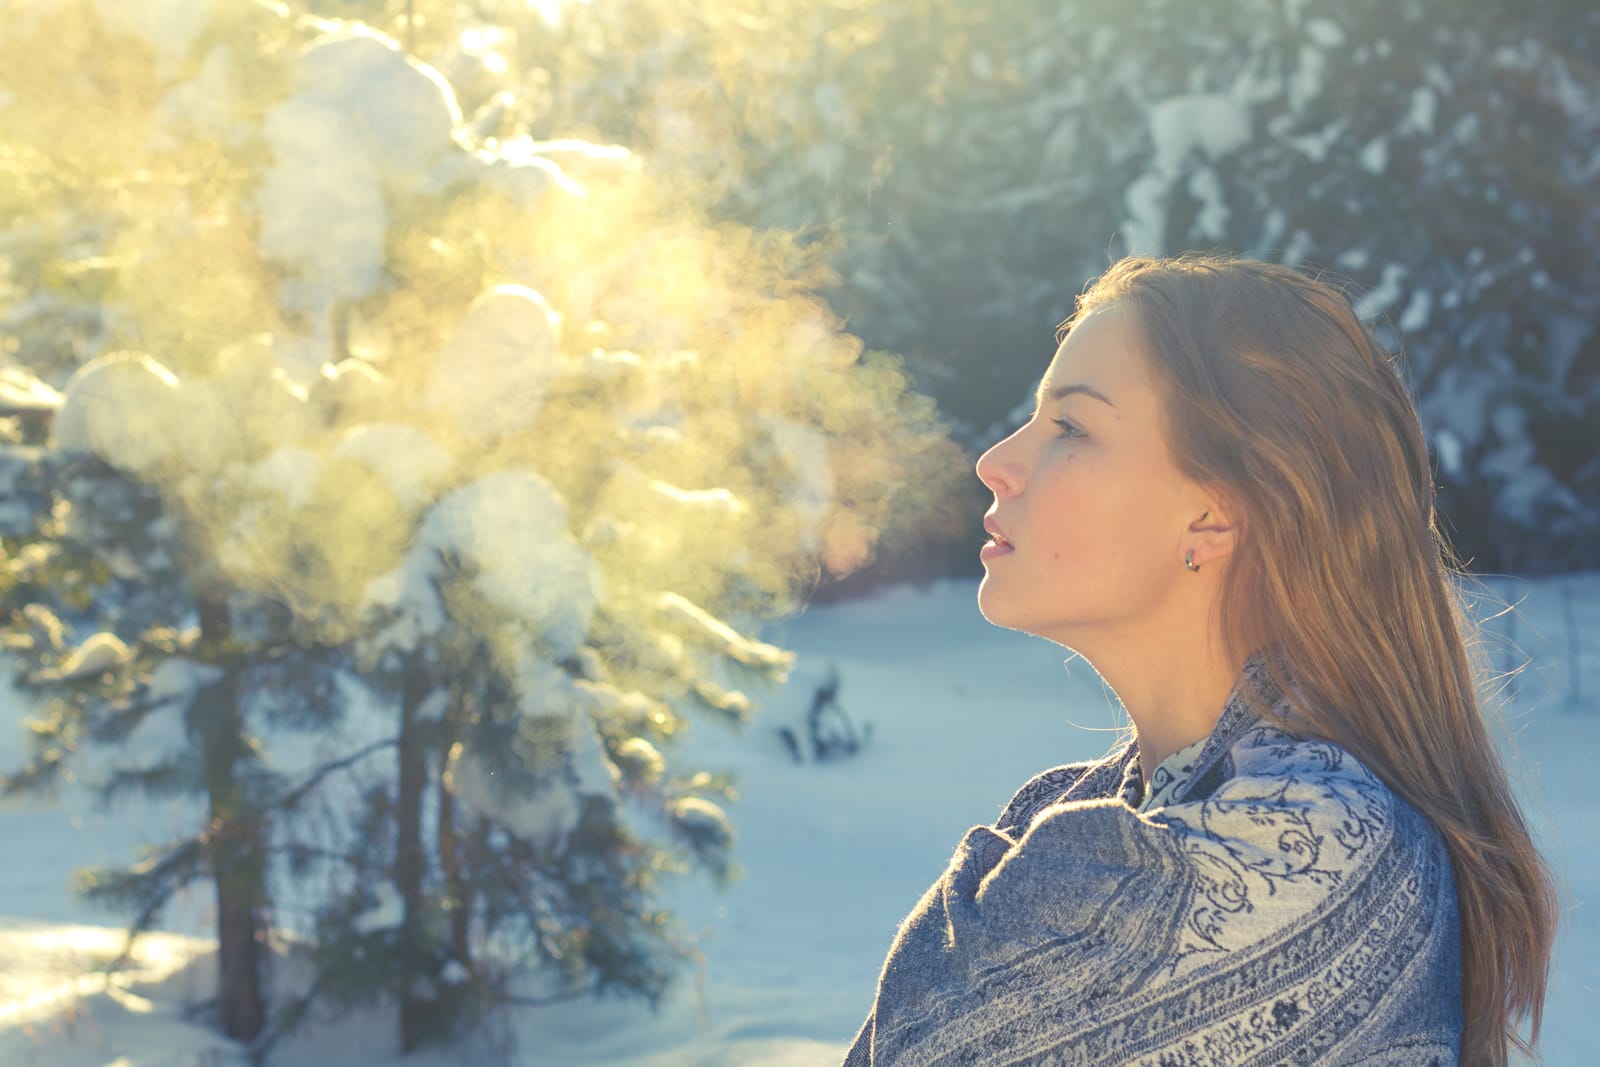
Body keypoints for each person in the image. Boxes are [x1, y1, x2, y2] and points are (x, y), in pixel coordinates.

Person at [843, 254, 1556, 1066]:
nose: (995, 460)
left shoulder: (1303, 850)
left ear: (1213, 516)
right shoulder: (1075, 813)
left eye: (1070, 427)